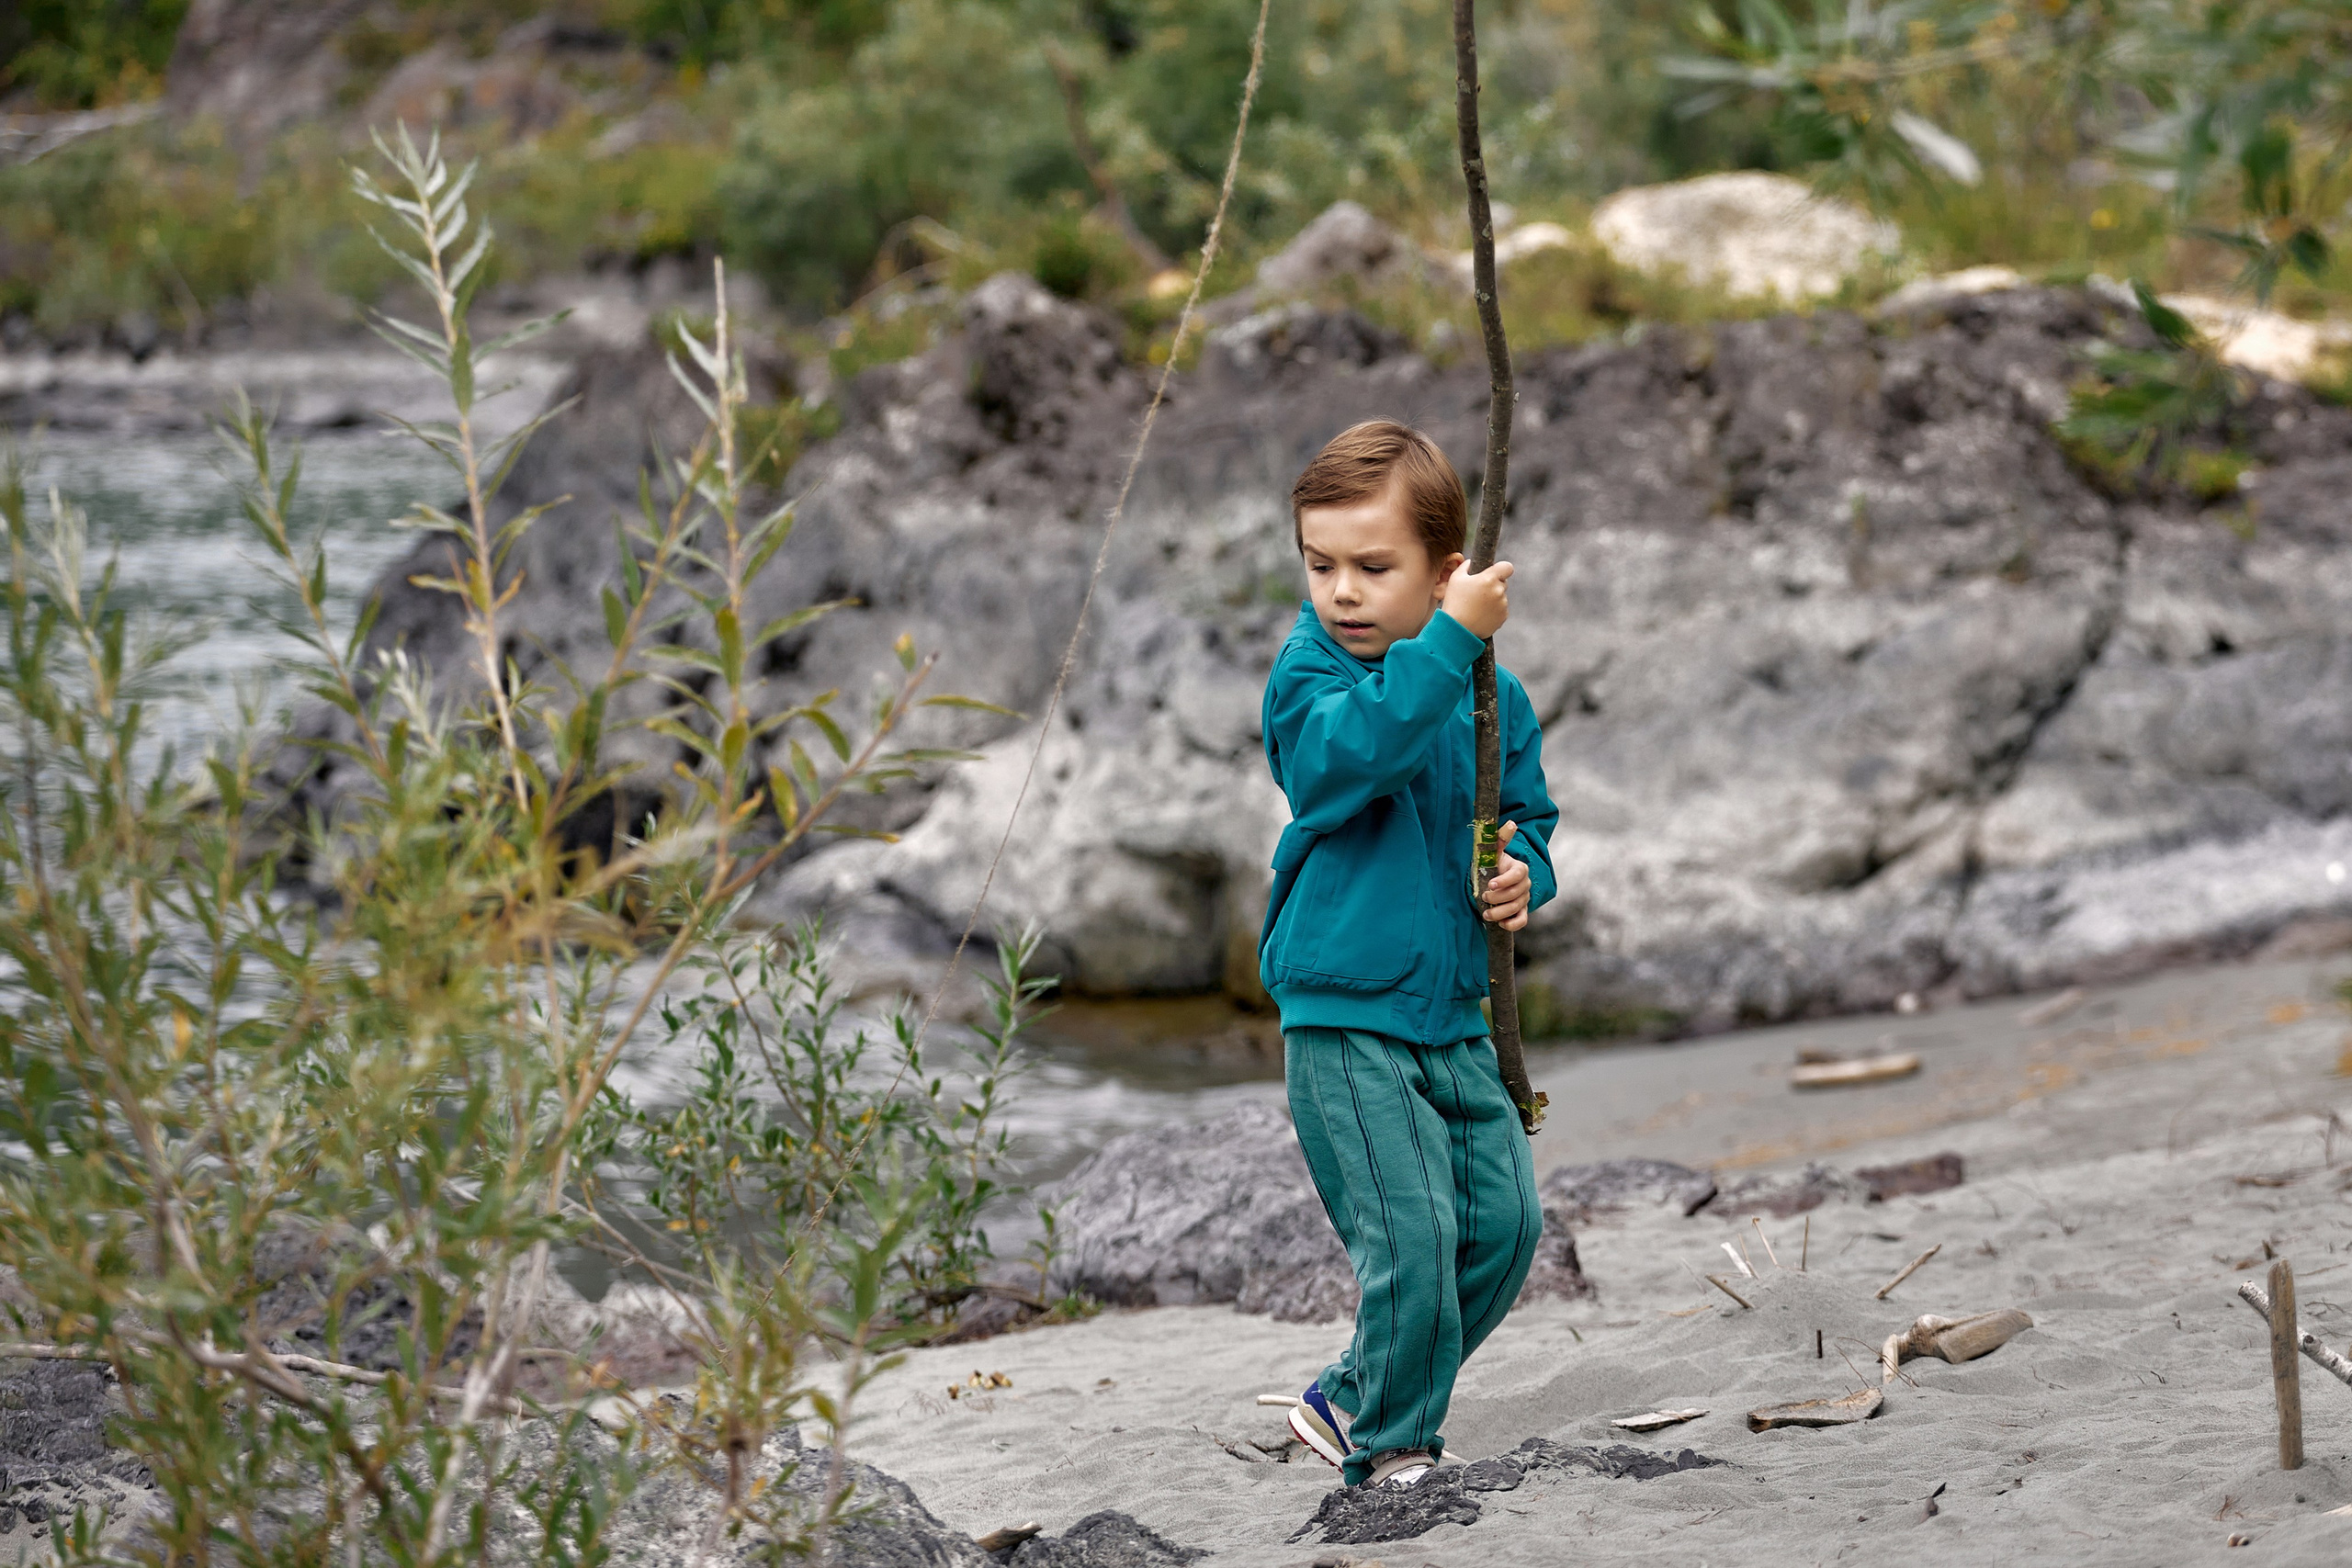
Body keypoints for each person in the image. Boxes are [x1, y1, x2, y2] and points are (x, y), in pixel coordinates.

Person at [1259, 419, 1556, 1491]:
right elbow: (1348, 762)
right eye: (1320, 564)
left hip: (1454, 1015)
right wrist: (1447, 647)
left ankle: (1351, 1395)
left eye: (1372, 567)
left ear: (1444, 573)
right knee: (1414, 1243)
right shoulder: (1309, 678)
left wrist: (1524, 874)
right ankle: (1392, 1450)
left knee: (1503, 1229)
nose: (1340, 591)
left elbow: (1527, 817)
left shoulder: (1489, 695)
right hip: (1343, 1018)